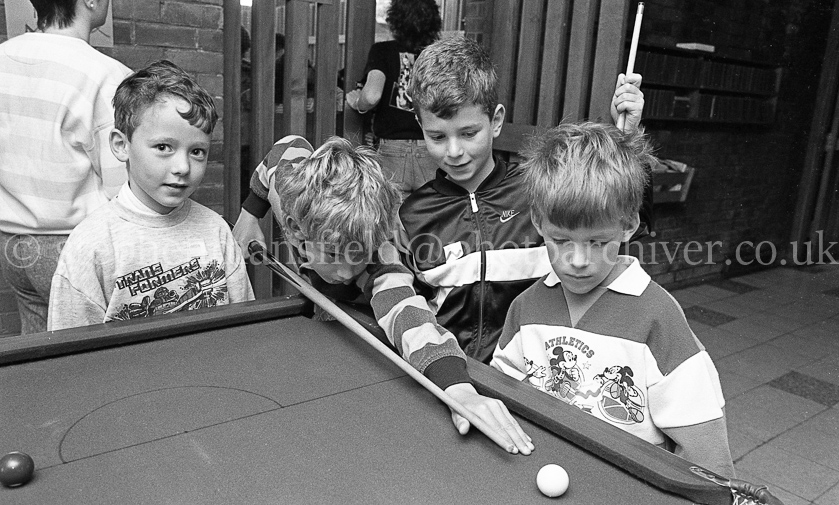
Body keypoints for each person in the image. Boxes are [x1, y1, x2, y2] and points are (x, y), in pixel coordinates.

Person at [232, 135, 534, 455]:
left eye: (357, 255)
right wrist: (250, 213)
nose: (347, 272)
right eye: (335, 255)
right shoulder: (288, 193)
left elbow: (410, 318)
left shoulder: (380, 262)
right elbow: (283, 149)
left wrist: (458, 388)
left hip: (386, 309)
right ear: (294, 228)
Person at [490, 122, 734, 477]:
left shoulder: (658, 317)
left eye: (597, 242)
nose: (577, 261)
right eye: (561, 240)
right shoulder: (525, 308)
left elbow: (707, 451)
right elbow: (504, 396)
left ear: (629, 224)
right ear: (538, 222)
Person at [398, 36, 646, 364]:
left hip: (535, 378)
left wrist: (627, 137)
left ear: (496, 120)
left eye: (469, 133)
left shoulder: (538, 189)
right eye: (438, 137)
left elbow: (621, 231)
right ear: (420, 125)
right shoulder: (412, 215)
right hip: (453, 380)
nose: (454, 151)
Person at [47, 60, 254, 330]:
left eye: (197, 152)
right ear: (121, 146)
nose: (183, 168)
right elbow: (70, 352)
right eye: (163, 147)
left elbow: (244, 327)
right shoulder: (91, 246)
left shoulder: (216, 229)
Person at [0, 0, 132, 334]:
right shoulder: (106, 74)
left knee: (40, 351)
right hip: (73, 243)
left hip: (10, 241)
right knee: (95, 355)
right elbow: (123, 189)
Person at [344, 0, 442, 198]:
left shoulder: (383, 51)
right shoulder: (438, 54)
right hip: (431, 146)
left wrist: (357, 102)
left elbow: (371, 96)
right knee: (432, 217)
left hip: (392, 149)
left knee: (393, 221)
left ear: (395, 19)